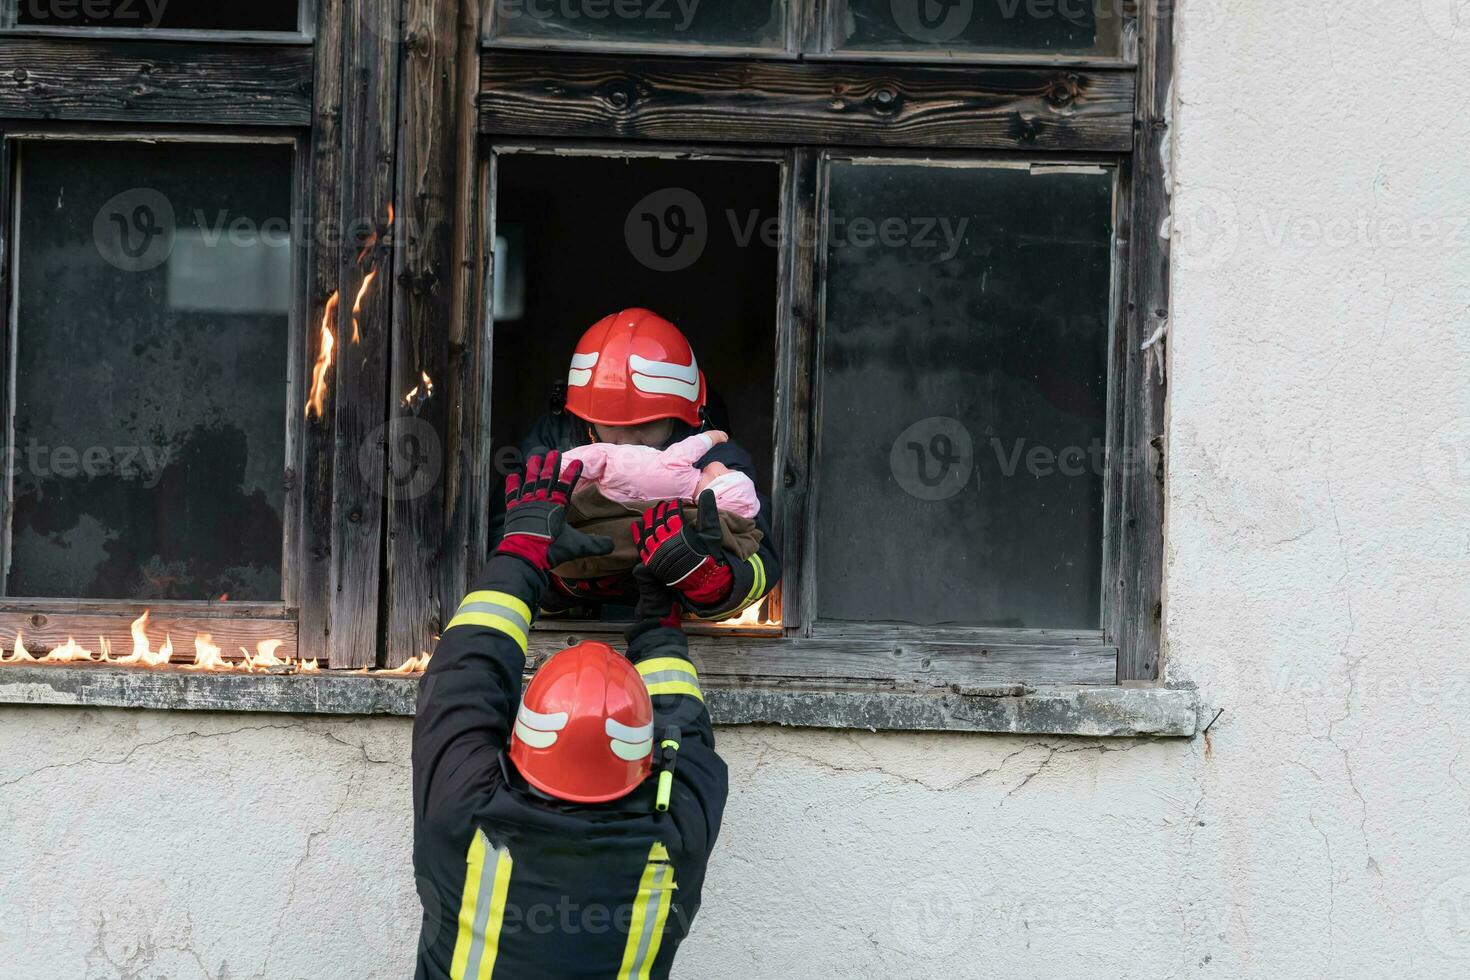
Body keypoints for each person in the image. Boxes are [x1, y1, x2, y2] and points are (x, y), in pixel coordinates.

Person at [414, 452, 728, 979]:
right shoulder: (677, 834)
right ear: (646, 759)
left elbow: (462, 678)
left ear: (518, 744)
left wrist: (522, 550)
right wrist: (660, 618)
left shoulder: (460, 812)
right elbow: (685, 727)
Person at [512, 307, 781, 622]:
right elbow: (500, 552)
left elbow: (763, 555)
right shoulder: (552, 446)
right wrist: (565, 583)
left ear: (686, 417)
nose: (627, 443)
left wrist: (710, 581)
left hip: (676, 640)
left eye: (648, 425)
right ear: (584, 418)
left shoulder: (714, 460)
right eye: (610, 426)